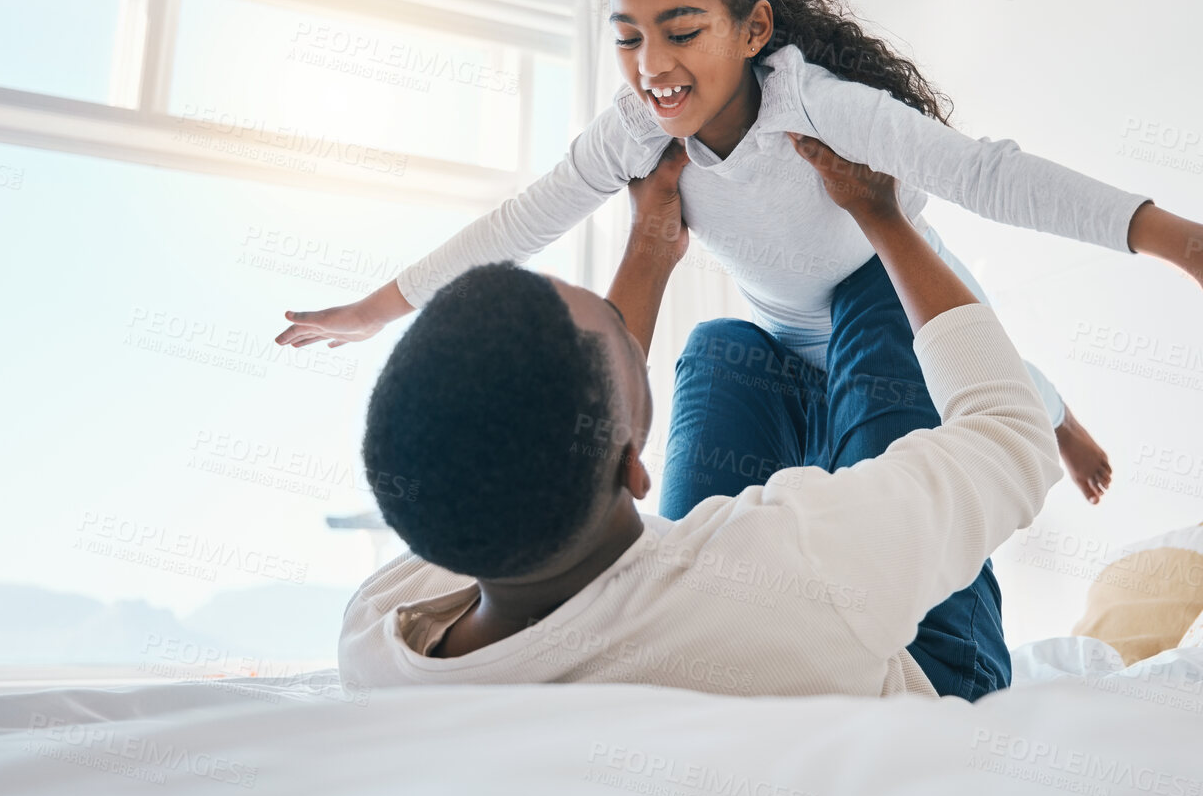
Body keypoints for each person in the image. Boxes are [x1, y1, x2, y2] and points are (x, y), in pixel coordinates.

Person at [276, 0, 1203, 511]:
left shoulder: (820, 108)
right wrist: (374, 309)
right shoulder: (634, 131)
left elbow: (988, 178)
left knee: (890, 314)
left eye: (682, 29)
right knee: (721, 370)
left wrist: (1190, 244)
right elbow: (517, 221)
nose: (654, 66)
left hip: (881, 306)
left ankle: (1048, 405)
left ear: (752, 26)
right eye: (628, 36)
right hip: (773, 337)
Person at [342, 134, 1066, 698]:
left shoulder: (384, 621)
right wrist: (883, 217)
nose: (631, 330)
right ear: (631, 464)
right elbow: (1009, 438)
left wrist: (650, 252)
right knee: (875, 295)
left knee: (724, 347)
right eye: (622, 336)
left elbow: (540, 434)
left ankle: (826, 400)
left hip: (712, 615)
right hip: (925, 661)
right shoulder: (795, 567)